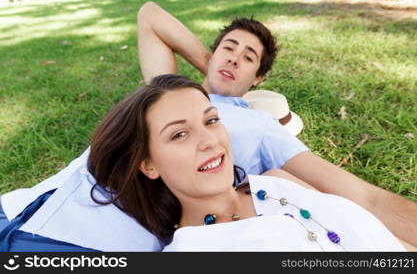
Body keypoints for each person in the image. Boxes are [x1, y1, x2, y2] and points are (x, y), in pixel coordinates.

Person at [136, 2, 417, 247]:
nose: (234, 58)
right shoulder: (170, 99)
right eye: (228, 48)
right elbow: (150, 15)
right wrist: (214, 70)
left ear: (258, 79)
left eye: (248, 58)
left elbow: (366, 198)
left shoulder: (260, 125)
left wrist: (226, 77)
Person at [88, 74, 407, 251]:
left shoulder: (273, 183)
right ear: (148, 165)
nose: (210, 140)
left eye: (211, 121)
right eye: (180, 134)